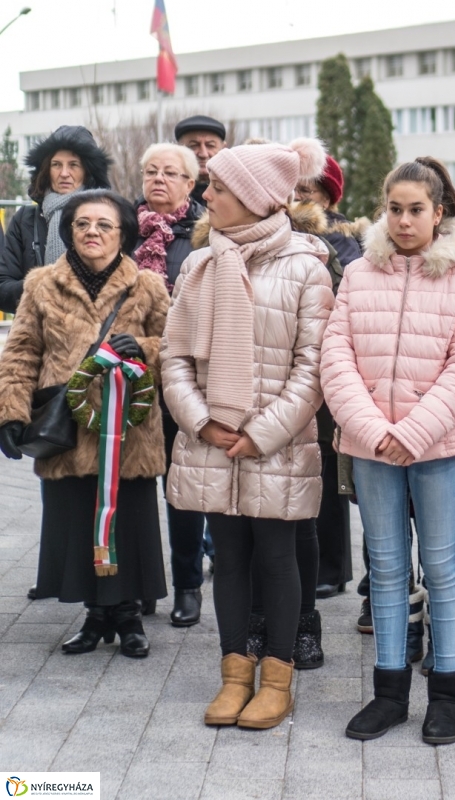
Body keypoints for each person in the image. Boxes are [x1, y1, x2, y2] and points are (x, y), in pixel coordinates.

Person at [162, 138, 334, 731]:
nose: (207, 196)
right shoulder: (198, 263)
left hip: (274, 444)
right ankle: (235, 676)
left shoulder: (307, 268)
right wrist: (202, 420)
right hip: (210, 439)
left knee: (278, 556)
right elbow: (174, 356)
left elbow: (313, 369)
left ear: (256, 198)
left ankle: (277, 679)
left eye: (219, 188)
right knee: (229, 556)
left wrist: (259, 433)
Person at [322, 157, 455, 746]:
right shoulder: (359, 274)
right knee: (388, 567)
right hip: (372, 447)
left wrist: (413, 433)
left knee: (442, 568)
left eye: (416, 209)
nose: (403, 219)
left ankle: (448, 694)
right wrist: (372, 430)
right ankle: (389, 692)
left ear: (439, 212)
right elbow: (335, 358)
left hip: (439, 445)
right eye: (394, 208)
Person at [0, 189, 170, 657]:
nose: (91, 231)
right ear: (69, 231)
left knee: (127, 522)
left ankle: (130, 615)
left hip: (129, 432)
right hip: (66, 430)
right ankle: (95, 615)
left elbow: (176, 345)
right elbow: (21, 352)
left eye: (103, 224)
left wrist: (147, 350)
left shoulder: (149, 287)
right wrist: (11, 413)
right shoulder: (40, 285)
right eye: (82, 224)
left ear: (123, 234)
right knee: (77, 518)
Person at [127, 142, 210, 628]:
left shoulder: (203, 234)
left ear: (190, 183)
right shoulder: (123, 230)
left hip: (181, 376)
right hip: (131, 381)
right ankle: (141, 587)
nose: (158, 179)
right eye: (151, 171)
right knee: (136, 487)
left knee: (181, 491)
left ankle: (188, 586)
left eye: (170, 173)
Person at [292, 155, 366, 601]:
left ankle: (332, 568)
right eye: (295, 186)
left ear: (327, 193)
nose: (298, 193)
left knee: (328, 465)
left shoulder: (343, 237)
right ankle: (314, 563)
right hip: (294, 366)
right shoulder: (285, 227)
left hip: (328, 366)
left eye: (308, 187)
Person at [1, 125, 112, 314]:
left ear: (87, 171)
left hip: (94, 334)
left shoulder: (109, 218)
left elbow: (121, 283)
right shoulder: (25, 220)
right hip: (36, 335)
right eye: (56, 164)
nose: (64, 173)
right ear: (46, 169)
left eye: (73, 165)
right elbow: (3, 289)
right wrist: (44, 285)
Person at [175, 116, 227, 206]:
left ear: (223, 149)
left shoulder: (237, 195)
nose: (203, 154)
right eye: (194, 145)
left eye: (210, 145)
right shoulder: (165, 194)